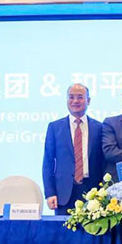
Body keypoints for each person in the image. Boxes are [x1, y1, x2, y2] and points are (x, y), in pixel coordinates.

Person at [42, 83, 104, 215]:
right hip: (63, 194)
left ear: (88, 101)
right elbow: (48, 162)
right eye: (71, 97)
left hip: (93, 192)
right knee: (63, 229)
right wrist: (50, 193)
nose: (75, 101)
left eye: (80, 97)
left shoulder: (99, 127)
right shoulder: (55, 127)